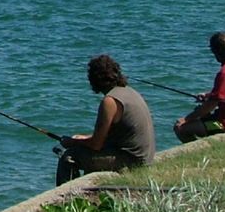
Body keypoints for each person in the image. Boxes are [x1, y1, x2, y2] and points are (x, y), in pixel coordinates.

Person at [55, 55, 155, 186]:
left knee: (69, 157)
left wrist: (72, 142)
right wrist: (83, 138)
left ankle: (67, 200)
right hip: (144, 157)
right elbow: (111, 136)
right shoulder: (130, 92)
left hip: (132, 161)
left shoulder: (110, 101)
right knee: (85, 152)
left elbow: (96, 144)